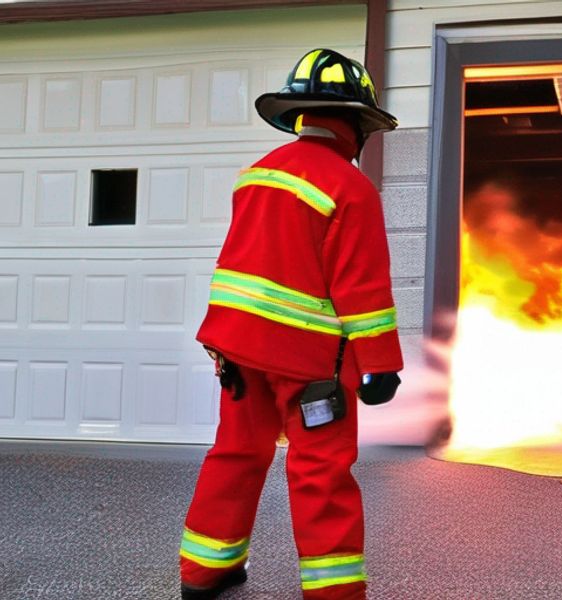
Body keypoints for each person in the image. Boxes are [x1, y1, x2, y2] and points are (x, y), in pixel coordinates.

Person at [179, 49, 403, 600]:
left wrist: (221, 343)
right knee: (320, 475)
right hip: (312, 369)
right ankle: (334, 594)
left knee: (235, 454)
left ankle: (205, 573)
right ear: (355, 124)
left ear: (299, 116)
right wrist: (380, 366)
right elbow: (363, 293)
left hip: (236, 351)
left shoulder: (255, 176)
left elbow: (241, 263)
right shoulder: (351, 191)